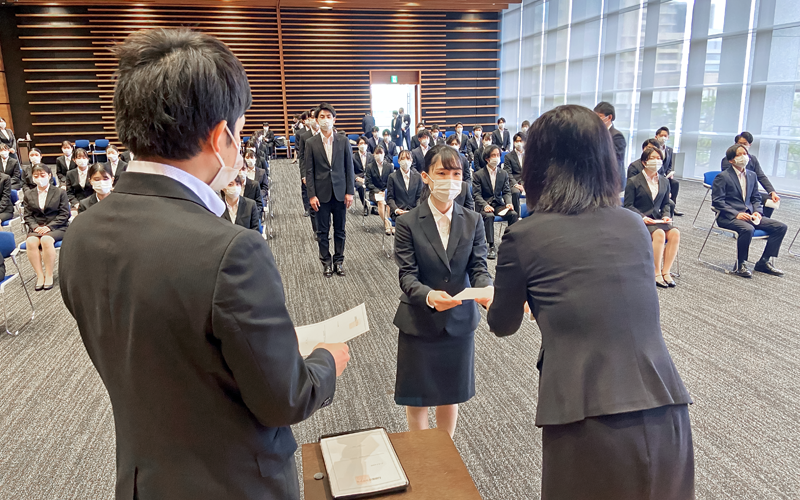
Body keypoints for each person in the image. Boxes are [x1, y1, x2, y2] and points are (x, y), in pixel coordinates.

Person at [59, 29, 349, 499]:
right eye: (238, 131)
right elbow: (285, 398)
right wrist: (326, 362)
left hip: (143, 480)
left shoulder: (82, 234)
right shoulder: (232, 251)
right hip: (235, 484)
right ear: (220, 137)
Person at [487, 104, 694, 500]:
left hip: (588, 417)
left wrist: (494, 298)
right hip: (666, 407)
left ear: (539, 164)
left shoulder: (525, 236)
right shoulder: (633, 224)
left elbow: (504, 323)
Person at [393, 144, 493, 439]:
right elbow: (407, 275)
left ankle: (444, 451)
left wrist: (486, 290)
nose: (450, 179)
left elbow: (478, 267)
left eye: (456, 173)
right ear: (426, 176)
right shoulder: (407, 222)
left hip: (459, 322)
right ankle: (423, 453)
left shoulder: (473, 221)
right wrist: (427, 295)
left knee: (451, 394)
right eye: (442, 172)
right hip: (419, 321)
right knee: (418, 397)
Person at [712, 144, 787, 278]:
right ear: (731, 160)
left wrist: (757, 211)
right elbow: (717, 201)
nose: (744, 157)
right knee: (747, 229)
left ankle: (763, 262)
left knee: (780, 227)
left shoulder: (751, 175)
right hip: (728, 217)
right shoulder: (723, 176)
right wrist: (736, 214)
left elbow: (756, 198)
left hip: (750, 215)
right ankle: (741, 264)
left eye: (745, 154)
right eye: (739, 155)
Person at [305, 102, 355, 277]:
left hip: (341, 193)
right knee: (322, 231)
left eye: (328, 116)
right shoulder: (311, 143)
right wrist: (311, 195)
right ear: (317, 120)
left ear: (334, 119)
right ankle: (326, 262)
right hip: (321, 194)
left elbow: (349, 168)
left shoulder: (343, 140)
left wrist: (350, 192)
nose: (325, 120)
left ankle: (339, 261)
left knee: (340, 230)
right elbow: (309, 171)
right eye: (322, 117)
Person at [624, 147, 680, 287]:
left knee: (674, 233)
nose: (657, 161)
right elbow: (628, 206)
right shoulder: (633, 181)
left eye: (659, 158)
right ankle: (655, 272)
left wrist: (666, 215)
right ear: (644, 162)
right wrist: (642, 217)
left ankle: (666, 271)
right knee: (659, 233)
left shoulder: (664, 181)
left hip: (657, 219)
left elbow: (666, 204)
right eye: (653, 158)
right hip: (640, 220)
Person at [25, 164, 70, 291]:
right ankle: (40, 275)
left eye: (42, 175)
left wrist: (49, 227)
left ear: (49, 176)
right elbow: (28, 216)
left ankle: (49, 274)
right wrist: (35, 227)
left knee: (46, 240)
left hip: (57, 227)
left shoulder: (60, 192)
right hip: (37, 227)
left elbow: (65, 214)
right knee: (31, 241)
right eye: (36, 176)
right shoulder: (29, 194)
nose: (39, 178)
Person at [719, 131, 780, 219]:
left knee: (770, 201)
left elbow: (761, 176)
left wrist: (772, 192)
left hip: (751, 193)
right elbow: (729, 179)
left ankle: (760, 220)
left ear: (749, 145)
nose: (742, 146)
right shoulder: (728, 160)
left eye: (744, 144)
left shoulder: (752, 159)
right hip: (735, 194)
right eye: (739, 143)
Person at [472, 145, 518, 260]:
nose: (497, 158)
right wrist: (485, 205)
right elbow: (476, 195)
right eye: (494, 155)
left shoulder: (503, 174)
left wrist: (508, 202)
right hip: (484, 205)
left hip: (498, 204)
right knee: (489, 216)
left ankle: (510, 243)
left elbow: (507, 191)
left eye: (498, 155)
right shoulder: (478, 175)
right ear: (487, 158)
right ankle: (491, 246)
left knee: (513, 214)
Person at [594, 101, 627, 188]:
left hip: (613, 182)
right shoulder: (596, 133)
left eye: (599, 117)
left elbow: (615, 158)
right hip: (599, 180)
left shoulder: (617, 136)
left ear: (609, 117)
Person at [387, 150, 422, 230]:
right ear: (399, 161)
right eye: (402, 158)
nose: (405, 161)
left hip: (414, 211)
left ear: (411, 161)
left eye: (408, 158)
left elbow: (419, 197)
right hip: (399, 212)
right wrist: (396, 210)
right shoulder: (392, 177)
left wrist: (416, 209)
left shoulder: (417, 177)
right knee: (407, 224)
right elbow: (390, 198)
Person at [366, 145, 394, 235]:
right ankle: (387, 224)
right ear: (374, 155)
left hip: (386, 191)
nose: (379, 155)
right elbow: (368, 183)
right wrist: (378, 191)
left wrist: (385, 191)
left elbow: (391, 182)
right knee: (381, 202)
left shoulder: (389, 166)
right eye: (377, 153)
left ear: (384, 154)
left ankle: (391, 222)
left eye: (380, 153)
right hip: (375, 192)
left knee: (389, 202)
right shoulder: (370, 167)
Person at [655, 127, 681, 215]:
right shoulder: (653, 149)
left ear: (668, 137)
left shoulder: (669, 150)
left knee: (675, 183)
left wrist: (669, 173)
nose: (663, 137)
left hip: (665, 176)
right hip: (656, 175)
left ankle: (671, 206)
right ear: (656, 136)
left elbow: (669, 165)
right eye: (661, 135)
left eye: (665, 136)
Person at [504, 132, 525, 215]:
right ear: (514, 142)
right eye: (517, 141)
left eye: (521, 141)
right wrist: (516, 184)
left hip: (527, 182)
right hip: (514, 182)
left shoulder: (529, 155)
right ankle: (516, 216)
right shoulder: (508, 156)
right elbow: (508, 172)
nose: (519, 143)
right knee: (515, 192)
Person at [353, 137, 372, 215]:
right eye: (361, 143)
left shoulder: (371, 156)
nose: (363, 145)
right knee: (361, 187)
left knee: (376, 185)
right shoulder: (353, 157)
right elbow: (350, 171)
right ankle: (365, 206)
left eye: (364, 143)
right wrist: (357, 178)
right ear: (357, 145)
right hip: (358, 179)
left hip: (369, 178)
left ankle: (374, 207)